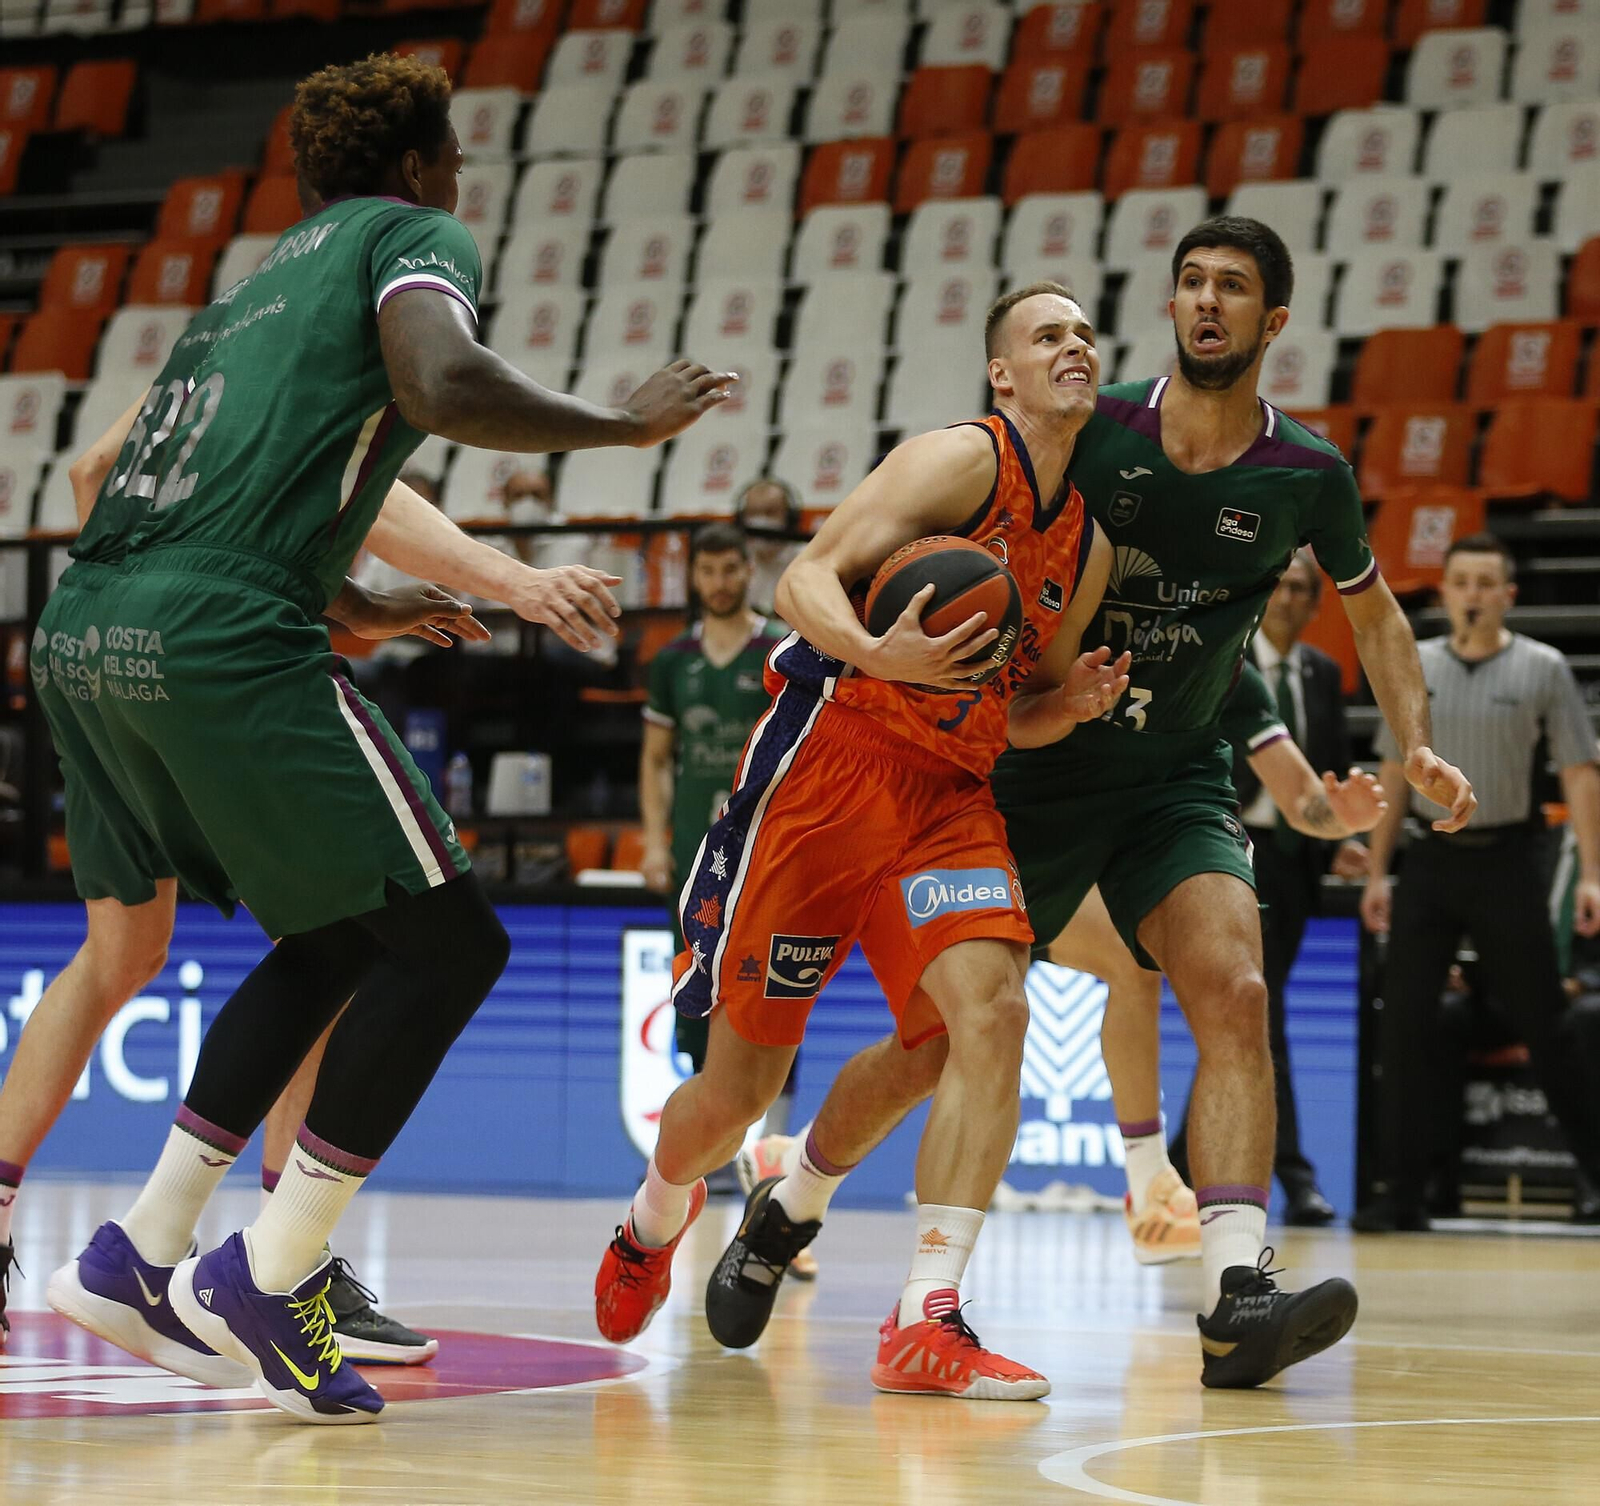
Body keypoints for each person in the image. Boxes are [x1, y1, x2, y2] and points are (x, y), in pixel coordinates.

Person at [41, 52, 733, 1424]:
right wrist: (618, 425)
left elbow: (164, 491)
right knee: (453, 938)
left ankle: (140, 1250)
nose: (459, 187)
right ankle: (275, 1263)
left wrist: (361, 595)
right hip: (219, 636)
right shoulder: (413, 237)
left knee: (344, 931)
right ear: (425, 166)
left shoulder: (246, 290)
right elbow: (440, 380)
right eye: (458, 165)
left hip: (91, 631)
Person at [702, 221, 1476, 1391]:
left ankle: (1233, 1296)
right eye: (1191, 283)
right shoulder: (1091, 422)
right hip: (1023, 774)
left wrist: (1415, 748)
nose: (1206, 302)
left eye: (1233, 290)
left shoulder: (1306, 473)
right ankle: (791, 1198)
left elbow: (1371, 617)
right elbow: (937, 519)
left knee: (1235, 985)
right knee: (932, 1050)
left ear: (1271, 325)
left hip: (1171, 778)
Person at [594, 282, 1128, 1402]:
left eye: (1083, 333)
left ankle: (919, 1311)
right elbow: (804, 579)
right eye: (1046, 335)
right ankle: (657, 1211)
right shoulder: (955, 461)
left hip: (949, 796)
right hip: (829, 772)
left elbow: (1009, 705)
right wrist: (879, 656)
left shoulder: (1087, 550)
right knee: (737, 1095)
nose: (1071, 346)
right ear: (1002, 374)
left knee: (978, 1022)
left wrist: (1066, 706)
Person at [743, 658, 1385, 1268]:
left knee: (1134, 962)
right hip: (991, 837)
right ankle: (794, 1164)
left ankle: (1149, 1183)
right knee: (930, 1054)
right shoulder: (1068, 623)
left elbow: (1303, 798)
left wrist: (1337, 818)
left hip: (1083, 868)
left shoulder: (1221, 662)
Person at [1355, 532, 1600, 1231]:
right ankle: (1402, 1194)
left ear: (1508, 595)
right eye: (1462, 581)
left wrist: (1592, 874)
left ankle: (1596, 1175)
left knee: (1548, 1026)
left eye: (1487, 582)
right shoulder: (1417, 662)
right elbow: (1393, 774)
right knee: (1402, 1024)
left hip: (1507, 860)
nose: (1473, 594)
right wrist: (1377, 872)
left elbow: (1580, 773)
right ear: (1445, 590)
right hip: (1429, 862)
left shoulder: (1544, 667)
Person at [1168, 549, 1364, 1226]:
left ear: (1315, 603)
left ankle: (1176, 1164)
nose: (1287, 598)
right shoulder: (1224, 659)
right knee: (1259, 1007)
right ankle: (1295, 1176)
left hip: (1293, 863)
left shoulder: (1324, 672)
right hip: (1225, 851)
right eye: (1279, 585)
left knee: (1246, 1015)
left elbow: (1328, 774)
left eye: (1303, 589)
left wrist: (1342, 837)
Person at [732, 477, 803, 619]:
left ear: (790, 517)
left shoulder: (807, 558)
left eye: (770, 512)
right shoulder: (735, 560)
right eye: (753, 513)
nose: (761, 520)